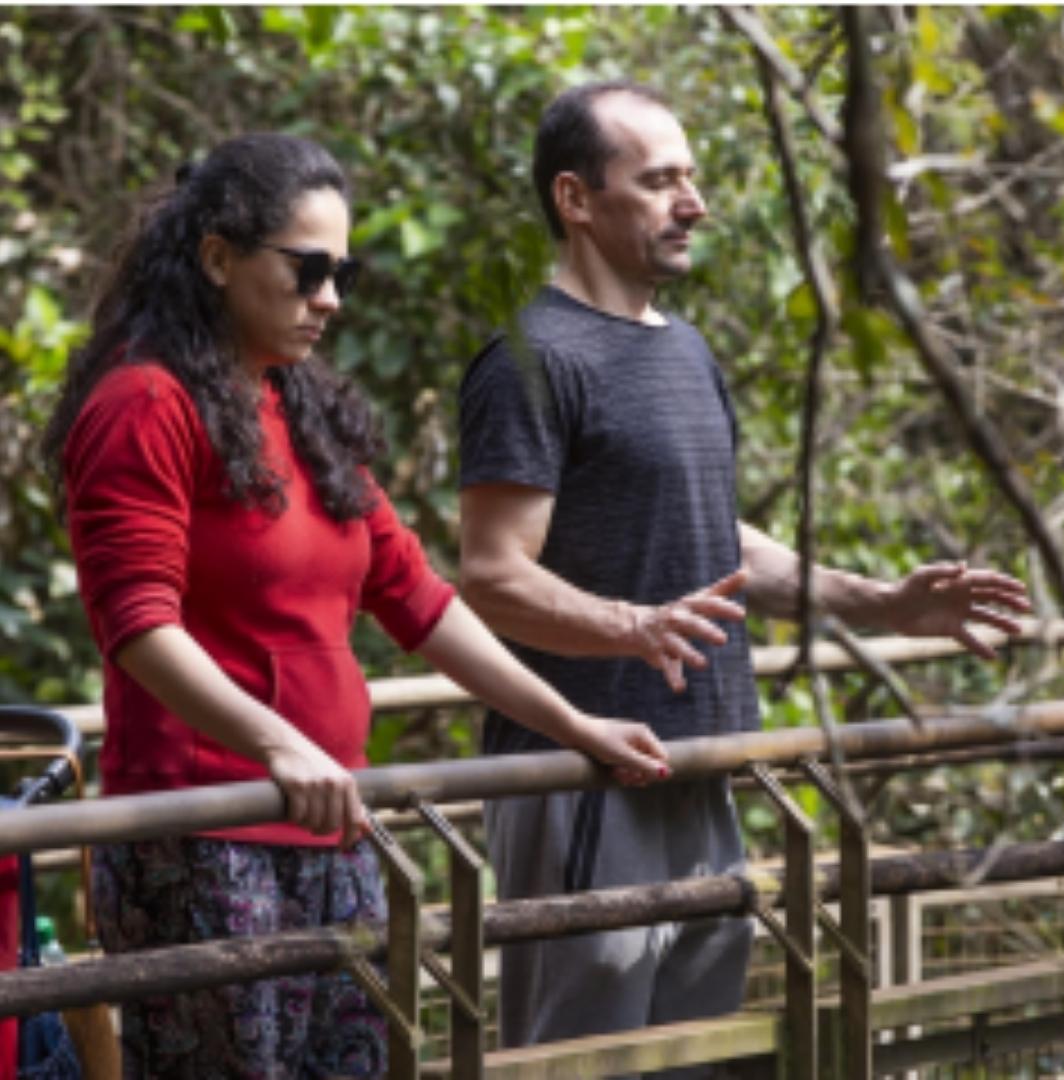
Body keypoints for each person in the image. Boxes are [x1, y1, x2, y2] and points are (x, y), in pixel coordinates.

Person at [41, 131, 669, 1079]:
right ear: (217, 258)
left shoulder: (299, 406)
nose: (329, 298)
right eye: (307, 271)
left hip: (330, 824)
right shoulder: (144, 404)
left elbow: (417, 600)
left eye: (343, 272)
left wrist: (571, 721)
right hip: (206, 836)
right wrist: (278, 742)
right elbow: (137, 624)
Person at [456, 81, 1032, 1063]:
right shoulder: (531, 359)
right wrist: (629, 628)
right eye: (660, 181)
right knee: (579, 1059)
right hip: (587, 768)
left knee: (695, 1053)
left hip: (706, 763)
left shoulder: (684, 351)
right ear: (576, 199)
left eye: (693, 178)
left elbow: (715, 537)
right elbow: (491, 574)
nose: (695, 203)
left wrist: (878, 603)